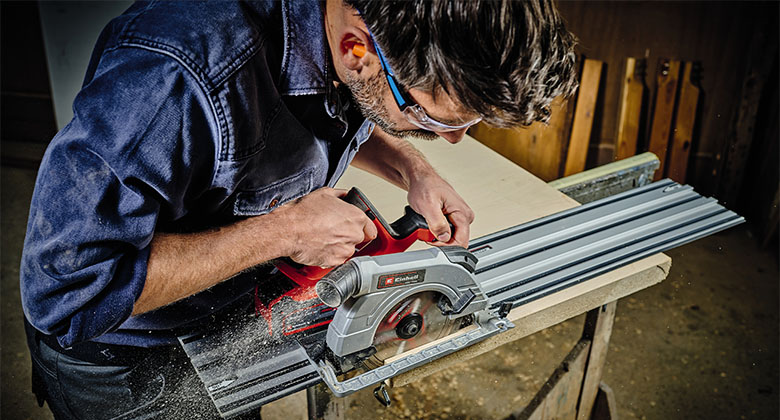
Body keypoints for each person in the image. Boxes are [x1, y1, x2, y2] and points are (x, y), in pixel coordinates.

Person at [20, 0, 578, 418]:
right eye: (434, 119)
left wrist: (414, 167)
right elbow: (68, 291)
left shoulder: (340, 26)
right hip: (128, 362)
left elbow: (326, 109)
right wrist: (280, 233)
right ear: (356, 47)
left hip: (230, 312)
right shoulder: (175, 78)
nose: (453, 140)